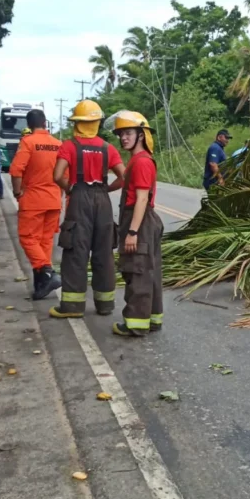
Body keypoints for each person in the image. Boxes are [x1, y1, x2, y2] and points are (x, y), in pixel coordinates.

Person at [50, 99, 126, 318]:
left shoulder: (69, 146)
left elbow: (57, 176)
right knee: (103, 253)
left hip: (79, 198)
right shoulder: (107, 148)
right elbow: (124, 177)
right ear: (97, 123)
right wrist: (106, 190)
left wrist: (70, 188)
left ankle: (73, 307)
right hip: (102, 200)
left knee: (76, 252)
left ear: (78, 123)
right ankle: (105, 305)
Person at [111, 111, 163, 337]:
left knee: (138, 270)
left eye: (128, 133)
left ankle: (135, 323)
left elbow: (142, 198)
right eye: (121, 134)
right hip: (143, 221)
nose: (123, 138)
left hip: (139, 222)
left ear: (141, 135)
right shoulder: (136, 160)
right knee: (148, 271)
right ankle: (152, 318)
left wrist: (132, 232)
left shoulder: (141, 162)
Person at [10, 109, 63, 300]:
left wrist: (17, 192)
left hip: (33, 199)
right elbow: (64, 175)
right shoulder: (58, 144)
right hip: (54, 199)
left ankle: (47, 272)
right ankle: (41, 286)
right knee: (45, 241)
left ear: (29, 125)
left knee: (27, 238)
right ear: (45, 122)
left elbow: (16, 170)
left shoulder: (28, 142)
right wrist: (60, 194)